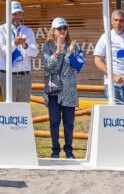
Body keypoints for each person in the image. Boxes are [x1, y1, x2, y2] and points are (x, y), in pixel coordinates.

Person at [41, 18, 80, 159]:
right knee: (54, 121)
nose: (63, 31)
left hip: (69, 90)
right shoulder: (47, 46)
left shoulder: (74, 45)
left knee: (69, 123)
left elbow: (78, 66)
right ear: (53, 30)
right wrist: (57, 52)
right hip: (54, 90)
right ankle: (55, 150)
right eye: (59, 28)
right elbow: (50, 67)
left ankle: (69, 150)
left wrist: (70, 53)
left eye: (65, 28)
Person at [0, 1, 37, 102]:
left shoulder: (28, 31)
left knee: (23, 109)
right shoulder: (1, 30)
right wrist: (14, 43)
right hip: (8, 76)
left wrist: (25, 45)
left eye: (19, 13)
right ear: (8, 14)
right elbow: (3, 52)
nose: (17, 16)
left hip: (25, 76)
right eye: (14, 14)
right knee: (9, 109)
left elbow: (34, 52)